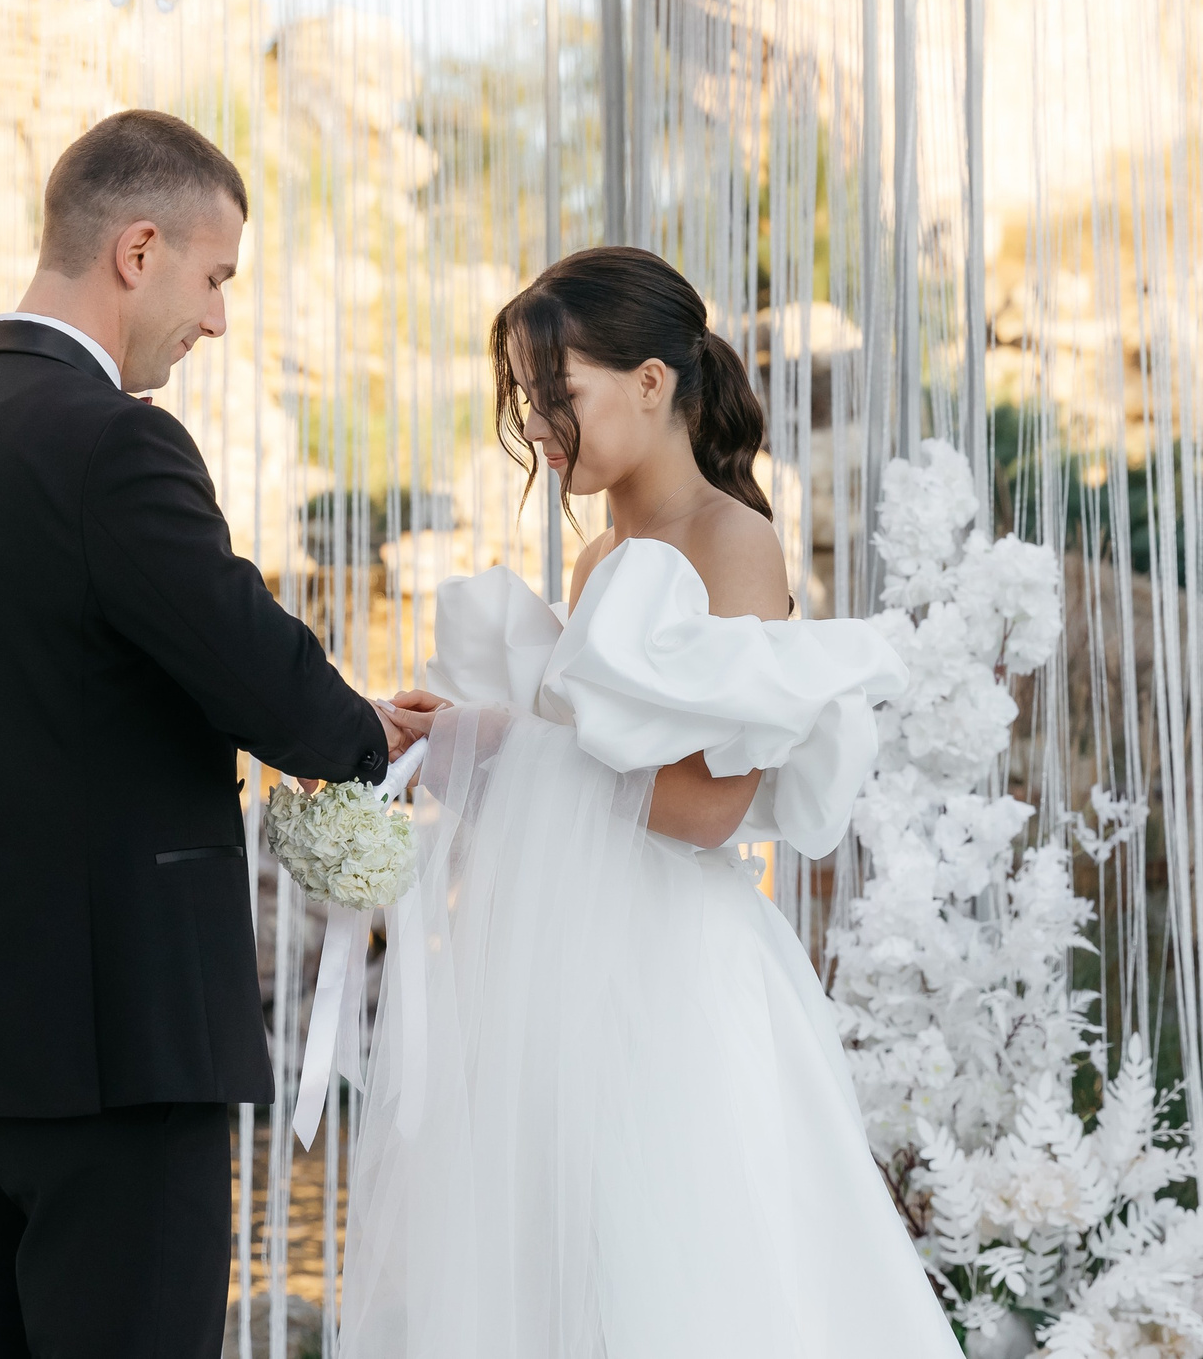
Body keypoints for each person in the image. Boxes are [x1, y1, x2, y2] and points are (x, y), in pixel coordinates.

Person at [0, 109, 429, 1359]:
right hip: (118, 1038)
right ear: (138, 248)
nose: (215, 319)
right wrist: (363, 735)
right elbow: (246, 660)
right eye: (213, 278)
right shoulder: (112, 443)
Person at [341, 245, 962, 1358]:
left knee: (674, 1265)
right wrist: (461, 750)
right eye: (527, 402)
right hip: (560, 960)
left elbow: (700, 813)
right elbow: (596, 774)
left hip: (667, 972)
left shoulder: (735, 543)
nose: (538, 426)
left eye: (556, 393)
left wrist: (499, 747)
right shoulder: (599, 564)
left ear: (650, 380)